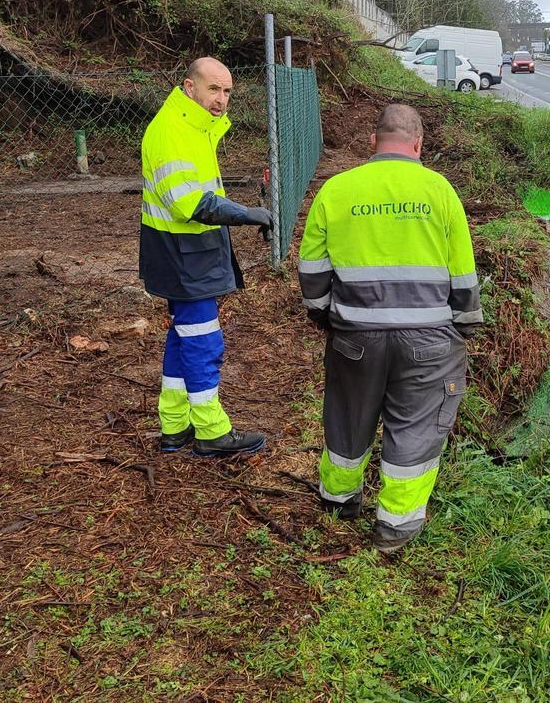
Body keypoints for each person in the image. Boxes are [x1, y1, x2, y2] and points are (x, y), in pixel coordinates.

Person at [297, 103, 482, 553]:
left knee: (347, 414)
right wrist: (463, 326)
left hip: (355, 336)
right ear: (419, 144)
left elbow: (312, 269)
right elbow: (463, 276)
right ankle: (395, 527)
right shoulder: (439, 191)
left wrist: (326, 316)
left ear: (373, 142)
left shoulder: (337, 190)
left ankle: (339, 500)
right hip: (429, 340)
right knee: (416, 425)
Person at [139, 57, 271, 457]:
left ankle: (175, 426)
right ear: (189, 86)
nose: (221, 100)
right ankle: (212, 431)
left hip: (186, 252)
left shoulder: (195, 128)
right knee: (203, 341)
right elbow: (189, 202)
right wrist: (247, 214)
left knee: (183, 338)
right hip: (182, 255)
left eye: (227, 91)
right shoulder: (171, 131)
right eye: (214, 89)